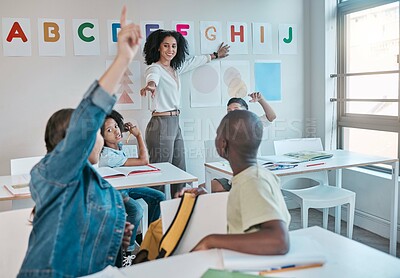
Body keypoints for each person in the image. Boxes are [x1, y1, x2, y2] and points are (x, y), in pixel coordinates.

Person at [18, 7, 141, 277]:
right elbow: (88, 117)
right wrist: (122, 59)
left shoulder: (94, 182)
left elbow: (89, 238)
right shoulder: (53, 172)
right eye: (96, 132)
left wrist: (115, 234)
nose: (99, 136)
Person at [140, 29, 229, 196]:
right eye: (165, 46)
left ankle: (180, 209)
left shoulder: (174, 69)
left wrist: (215, 55)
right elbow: (152, 77)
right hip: (161, 124)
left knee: (180, 170)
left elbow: (194, 62)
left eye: (173, 46)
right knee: (160, 171)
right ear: (158, 48)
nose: (170, 50)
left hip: (175, 122)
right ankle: (156, 213)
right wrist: (151, 85)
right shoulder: (155, 69)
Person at [190, 110, 291, 255]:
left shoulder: (252, 181)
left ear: (223, 143)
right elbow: (244, 208)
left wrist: (211, 241)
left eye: (218, 134)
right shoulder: (255, 175)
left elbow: (279, 241)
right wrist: (207, 197)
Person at [99, 110, 165, 251]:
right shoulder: (107, 155)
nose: (116, 131)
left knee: (159, 197)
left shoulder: (118, 147)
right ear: (101, 136)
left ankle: (149, 239)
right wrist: (139, 135)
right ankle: (127, 249)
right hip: (114, 192)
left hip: (125, 187)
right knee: (136, 210)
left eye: (116, 126)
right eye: (109, 130)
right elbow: (144, 160)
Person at [211, 91, 277, 192]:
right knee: (202, 188)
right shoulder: (227, 129)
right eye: (229, 111)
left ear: (246, 112)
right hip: (231, 176)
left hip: (250, 176)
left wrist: (261, 100)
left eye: (236, 109)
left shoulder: (253, 125)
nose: (232, 113)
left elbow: (271, 117)